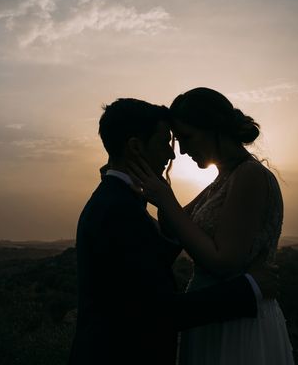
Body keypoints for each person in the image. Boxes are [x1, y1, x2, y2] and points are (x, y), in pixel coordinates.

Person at [68, 98, 277, 365]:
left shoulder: (118, 200)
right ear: (135, 147)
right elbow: (158, 311)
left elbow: (149, 257)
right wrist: (250, 288)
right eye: (166, 142)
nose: (172, 154)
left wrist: (165, 204)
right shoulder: (116, 211)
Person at [127, 87, 294, 364]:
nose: (181, 150)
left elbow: (224, 260)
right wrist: (158, 188)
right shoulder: (222, 180)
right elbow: (173, 228)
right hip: (216, 316)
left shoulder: (250, 175)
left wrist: (165, 198)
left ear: (213, 128)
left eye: (187, 138)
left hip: (239, 322)